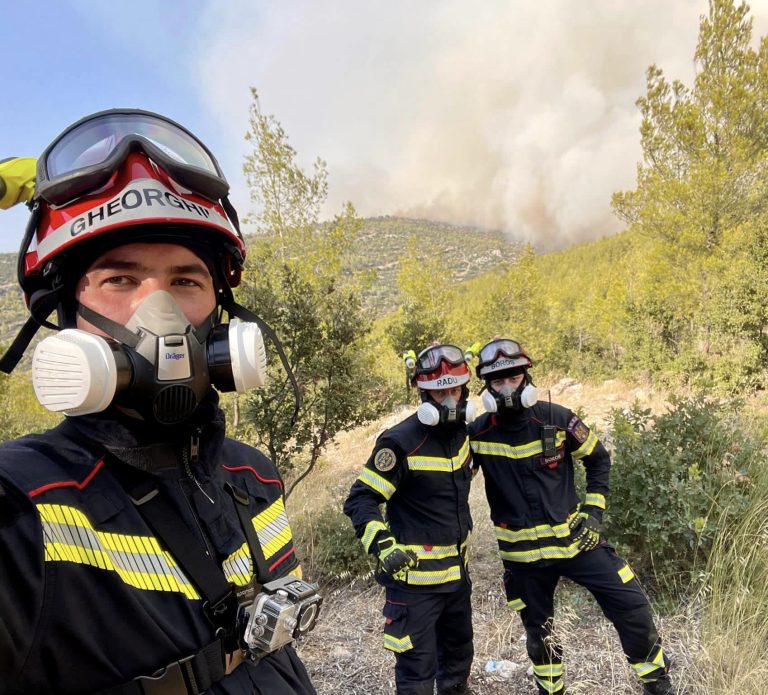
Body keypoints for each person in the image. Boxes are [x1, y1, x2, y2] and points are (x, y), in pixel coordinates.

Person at [0, 109, 319, 694]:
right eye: (120, 281)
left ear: (223, 319)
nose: (161, 313)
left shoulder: (255, 477)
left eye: (186, 281)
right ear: (68, 314)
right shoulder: (23, 504)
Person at [468, 338, 674, 695]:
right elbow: (450, 483)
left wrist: (594, 512)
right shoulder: (479, 433)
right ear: (486, 387)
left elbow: (599, 459)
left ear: (526, 376)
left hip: (577, 542)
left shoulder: (558, 418)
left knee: (631, 605)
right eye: (497, 382)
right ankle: (552, 690)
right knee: (540, 633)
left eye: (513, 378)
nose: (506, 388)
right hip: (524, 559)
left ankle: (656, 681)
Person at [343, 344, 476, 695]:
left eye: (455, 390)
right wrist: (383, 547)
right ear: (423, 393)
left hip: (457, 582)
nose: (450, 399)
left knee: (459, 662)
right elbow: (361, 499)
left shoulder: (465, 434)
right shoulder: (401, 442)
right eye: (440, 392)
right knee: (417, 674)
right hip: (414, 588)